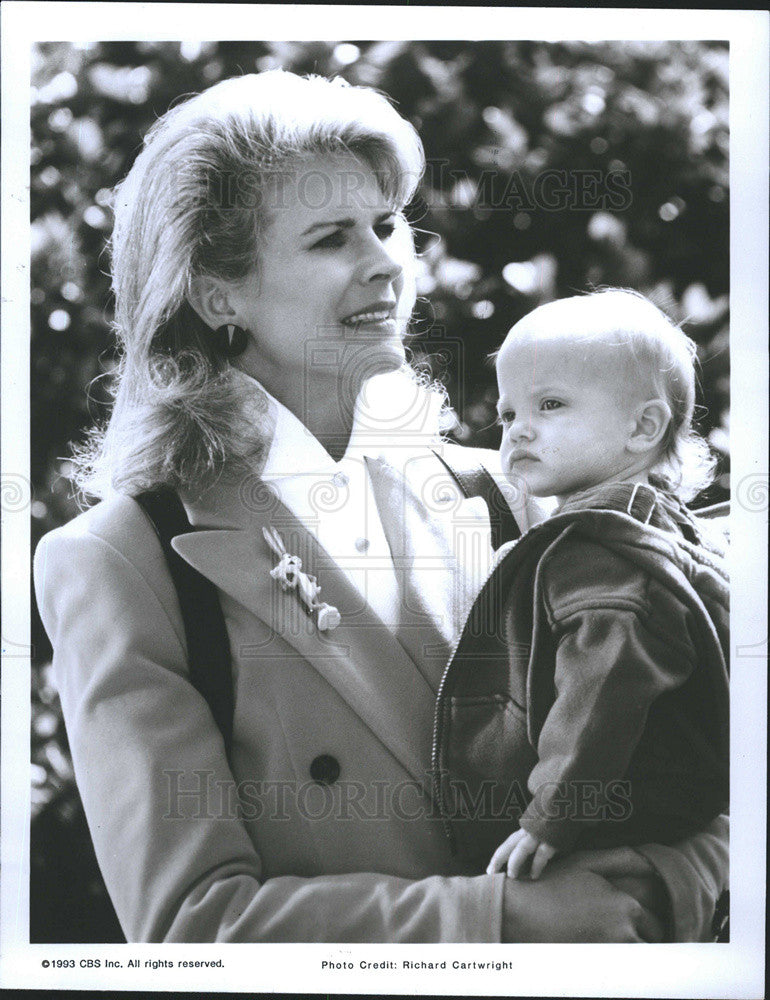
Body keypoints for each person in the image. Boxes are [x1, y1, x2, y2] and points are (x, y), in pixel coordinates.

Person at [33, 71, 727, 943]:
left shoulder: (513, 493)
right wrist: (506, 922)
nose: (385, 263)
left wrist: (655, 892)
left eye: (389, 224)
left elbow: (712, 769)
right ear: (218, 294)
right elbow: (190, 927)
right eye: (330, 237)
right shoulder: (119, 560)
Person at [433, 290, 729, 883]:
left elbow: (603, 692)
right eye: (510, 412)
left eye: (551, 404)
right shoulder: (658, 526)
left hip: (600, 828)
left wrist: (552, 815)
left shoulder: (601, 550)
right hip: (653, 815)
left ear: (643, 425)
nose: (517, 431)